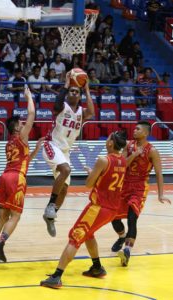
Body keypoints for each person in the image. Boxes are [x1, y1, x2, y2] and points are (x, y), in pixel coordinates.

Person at [40, 131, 127, 289]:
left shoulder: (103, 160)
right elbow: (107, 181)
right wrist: (96, 175)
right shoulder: (123, 160)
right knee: (88, 234)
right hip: (112, 209)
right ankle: (97, 268)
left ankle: (57, 276)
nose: (106, 140)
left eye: (108, 138)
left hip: (98, 207)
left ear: (111, 143)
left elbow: (88, 184)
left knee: (75, 236)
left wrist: (91, 174)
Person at [0, 88, 44, 263]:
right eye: (21, 123)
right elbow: (32, 113)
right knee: (15, 216)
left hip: (5, 177)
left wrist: (36, 149)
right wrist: (29, 96)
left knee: (2, 216)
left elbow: (24, 160)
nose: (24, 124)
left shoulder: (9, 143)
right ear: (17, 128)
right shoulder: (21, 136)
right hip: (16, 178)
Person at [110, 121, 171, 267]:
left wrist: (160, 195)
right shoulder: (128, 145)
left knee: (132, 218)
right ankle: (122, 236)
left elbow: (159, 174)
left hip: (139, 188)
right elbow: (122, 164)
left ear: (145, 133)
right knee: (113, 217)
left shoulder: (152, 151)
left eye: (138, 129)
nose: (134, 131)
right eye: (135, 129)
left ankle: (127, 251)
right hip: (124, 185)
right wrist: (135, 154)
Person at [42, 71, 95, 237]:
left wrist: (86, 90)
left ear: (79, 96)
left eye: (76, 91)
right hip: (52, 145)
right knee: (66, 170)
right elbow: (57, 101)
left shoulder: (81, 112)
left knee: (64, 189)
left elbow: (92, 112)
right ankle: (50, 205)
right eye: (72, 91)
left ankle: (51, 215)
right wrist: (66, 84)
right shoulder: (61, 107)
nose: (74, 92)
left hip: (65, 151)